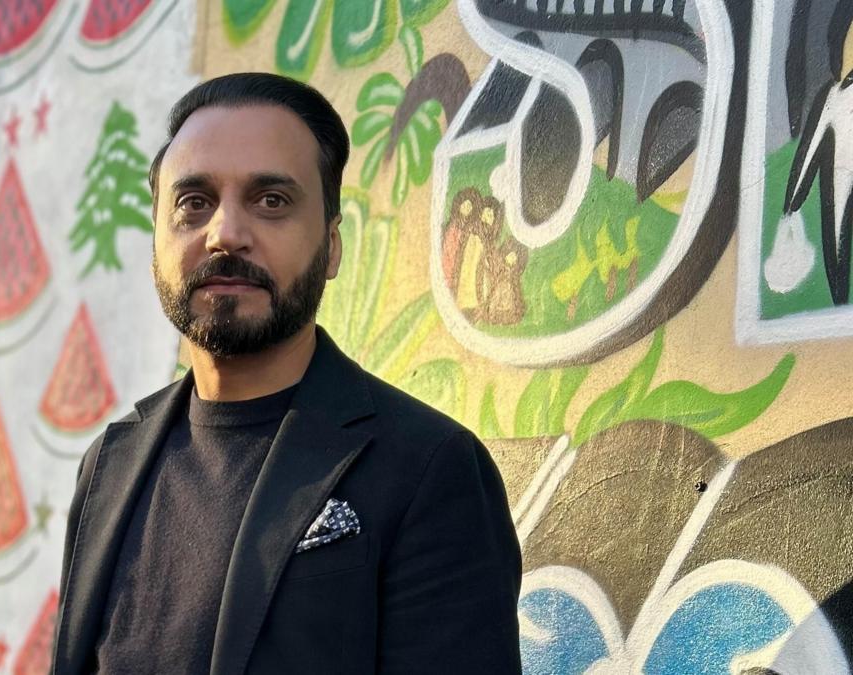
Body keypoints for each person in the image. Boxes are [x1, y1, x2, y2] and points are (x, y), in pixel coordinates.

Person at [49, 72, 521, 674]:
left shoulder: (429, 468)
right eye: (193, 203)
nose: (225, 234)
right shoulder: (109, 464)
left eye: (271, 201)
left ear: (331, 246)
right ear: (156, 243)